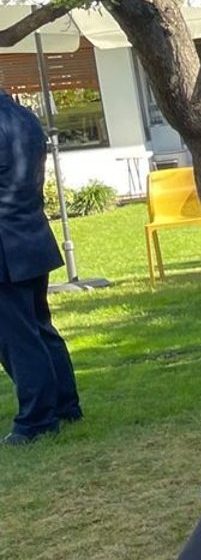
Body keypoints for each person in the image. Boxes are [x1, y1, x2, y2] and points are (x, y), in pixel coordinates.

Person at [0, 92, 80, 444]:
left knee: (17, 337)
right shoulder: (26, 118)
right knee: (40, 326)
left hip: (6, 245)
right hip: (32, 233)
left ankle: (36, 420)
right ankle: (65, 404)